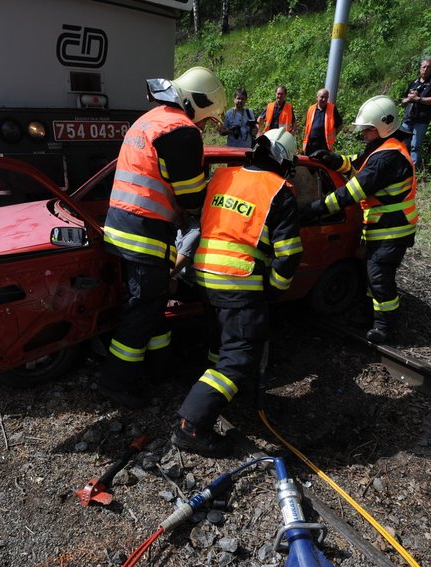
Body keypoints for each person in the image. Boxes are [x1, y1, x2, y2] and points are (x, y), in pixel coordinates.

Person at [98, 66, 226, 409]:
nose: (203, 126)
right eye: (206, 119)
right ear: (198, 104)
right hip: (145, 232)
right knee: (142, 310)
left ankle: (159, 369)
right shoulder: (181, 131)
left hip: (122, 224)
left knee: (152, 305)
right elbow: (191, 197)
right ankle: (115, 382)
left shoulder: (151, 119)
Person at [172, 128, 303, 456]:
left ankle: (221, 393)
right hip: (237, 280)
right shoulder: (279, 191)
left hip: (202, 273)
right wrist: (273, 289)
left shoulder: (222, 176)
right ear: (284, 163)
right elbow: (289, 253)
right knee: (241, 354)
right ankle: (191, 426)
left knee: (221, 340)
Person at [305, 96, 417, 345]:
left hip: (392, 228)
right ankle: (369, 313)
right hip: (383, 225)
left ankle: (385, 326)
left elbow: (353, 191)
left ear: (382, 126)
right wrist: (336, 161)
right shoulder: (382, 148)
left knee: (379, 276)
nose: (363, 134)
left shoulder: (387, 157)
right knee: (372, 272)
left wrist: (316, 208)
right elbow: (358, 163)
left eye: (367, 130)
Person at [399, 57, 431, 167]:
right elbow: (403, 102)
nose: (425, 69)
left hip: (422, 119)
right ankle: (403, 167)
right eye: (423, 67)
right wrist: (409, 99)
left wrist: (418, 99)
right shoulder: (413, 83)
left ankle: (414, 169)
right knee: (403, 144)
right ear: (420, 68)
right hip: (408, 117)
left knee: (415, 145)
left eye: (428, 67)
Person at [302, 87, 343, 154]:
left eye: (326, 97)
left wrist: (333, 135)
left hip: (324, 145)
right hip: (310, 144)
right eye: (322, 97)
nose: (324, 99)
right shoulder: (311, 109)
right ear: (317, 98)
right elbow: (307, 126)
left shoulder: (332, 109)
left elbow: (340, 125)